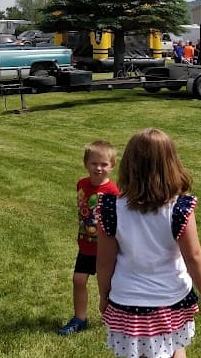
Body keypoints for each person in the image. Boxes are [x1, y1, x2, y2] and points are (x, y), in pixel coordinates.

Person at [97, 128, 201, 358]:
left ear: (128, 165)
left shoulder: (111, 208)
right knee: (175, 346)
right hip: (171, 298)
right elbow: (193, 256)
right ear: (171, 165)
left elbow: (104, 262)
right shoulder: (179, 209)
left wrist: (104, 295)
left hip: (127, 299)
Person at [59, 141, 121, 336]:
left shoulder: (113, 192)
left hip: (105, 249)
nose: (98, 168)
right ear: (86, 164)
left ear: (112, 166)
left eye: (104, 164)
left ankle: (115, 319)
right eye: (94, 163)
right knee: (78, 280)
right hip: (86, 246)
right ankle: (80, 318)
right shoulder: (82, 184)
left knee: (109, 286)